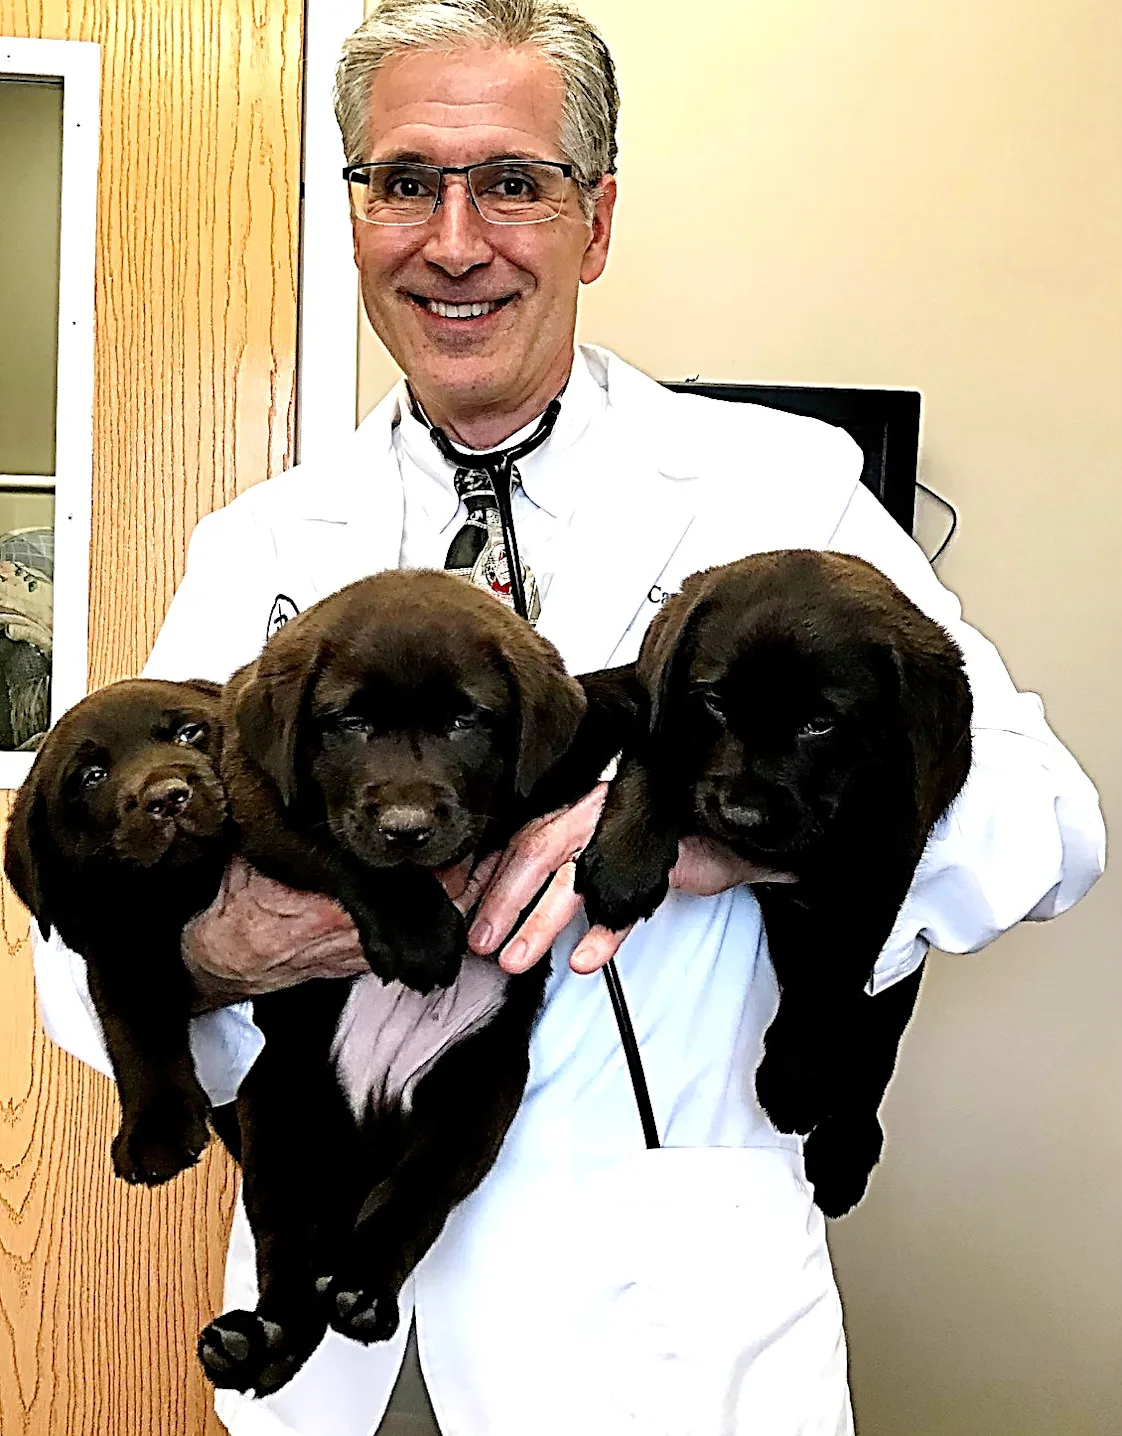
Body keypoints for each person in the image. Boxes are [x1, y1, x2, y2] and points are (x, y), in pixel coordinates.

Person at [33, 3, 1105, 1434]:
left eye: (513, 182)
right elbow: (81, 932)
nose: (453, 239)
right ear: (355, 218)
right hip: (330, 1327)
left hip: (660, 1328)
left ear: (593, 221)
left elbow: (1046, 829)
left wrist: (704, 825)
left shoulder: (772, 492)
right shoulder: (265, 545)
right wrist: (226, 947)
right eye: (403, 181)